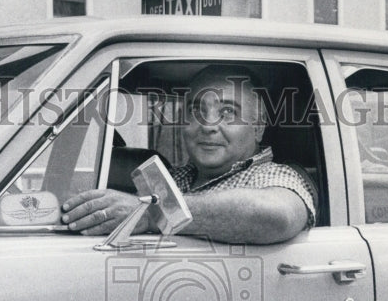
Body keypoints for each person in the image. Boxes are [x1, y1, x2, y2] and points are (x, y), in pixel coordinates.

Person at [60, 65, 316, 244]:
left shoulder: (277, 175)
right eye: (196, 110)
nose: (207, 125)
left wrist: (152, 213)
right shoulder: (175, 176)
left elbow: (277, 216)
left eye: (227, 112)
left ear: (258, 127)